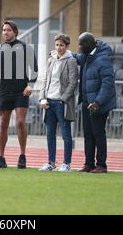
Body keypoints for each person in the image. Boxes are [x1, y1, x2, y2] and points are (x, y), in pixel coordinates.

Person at [0, 20, 38, 169]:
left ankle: (22, 155)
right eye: (4, 30)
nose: (6, 32)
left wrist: (30, 85)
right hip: (5, 91)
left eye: (9, 30)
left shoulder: (26, 48)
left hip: (21, 91)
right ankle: (1, 157)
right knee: (3, 124)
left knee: (20, 122)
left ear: (15, 32)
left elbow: (35, 69)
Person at [73, 32, 116, 174]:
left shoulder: (103, 59)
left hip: (98, 104)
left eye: (81, 44)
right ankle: (89, 163)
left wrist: (98, 102)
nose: (79, 47)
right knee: (88, 134)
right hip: (86, 102)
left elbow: (107, 83)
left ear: (89, 44)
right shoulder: (87, 56)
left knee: (98, 134)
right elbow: (77, 57)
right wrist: (63, 52)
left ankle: (101, 165)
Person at [38, 34, 78, 172]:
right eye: (56, 45)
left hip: (62, 103)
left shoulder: (71, 60)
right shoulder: (51, 60)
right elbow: (45, 80)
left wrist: (63, 99)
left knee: (66, 135)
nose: (59, 47)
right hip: (48, 102)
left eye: (61, 45)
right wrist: (42, 98)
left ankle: (66, 164)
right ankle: (51, 162)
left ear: (67, 46)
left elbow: (73, 83)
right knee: (50, 135)